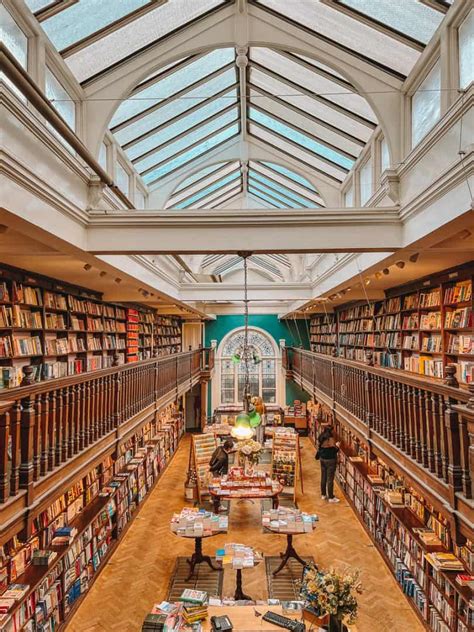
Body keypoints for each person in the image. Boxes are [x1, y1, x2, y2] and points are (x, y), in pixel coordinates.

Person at [317, 426, 340, 503]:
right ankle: (331, 497)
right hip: (330, 460)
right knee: (330, 479)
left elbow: (322, 447)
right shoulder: (330, 439)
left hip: (322, 459)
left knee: (323, 477)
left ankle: (323, 494)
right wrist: (337, 446)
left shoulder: (321, 436)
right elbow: (333, 450)